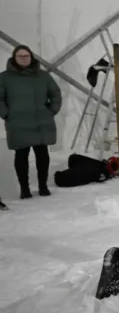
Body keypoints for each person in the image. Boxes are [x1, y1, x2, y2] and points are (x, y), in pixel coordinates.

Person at [0, 45, 61, 199]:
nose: (23, 58)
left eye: (26, 56)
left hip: (41, 121)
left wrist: (52, 110)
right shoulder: (5, 77)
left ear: (31, 57)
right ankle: (25, 189)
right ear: (14, 58)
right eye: (20, 56)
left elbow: (55, 93)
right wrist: (6, 114)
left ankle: (43, 186)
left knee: (42, 155)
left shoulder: (43, 76)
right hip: (18, 122)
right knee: (21, 155)